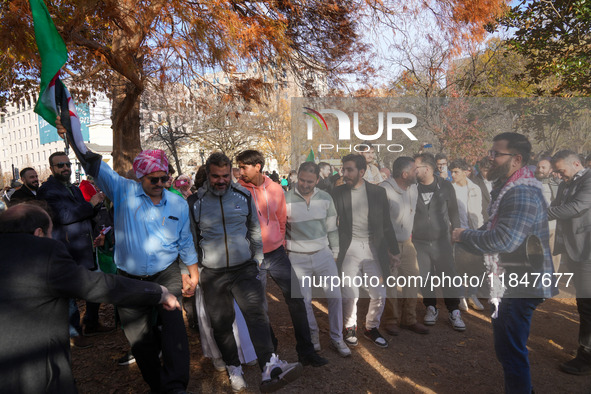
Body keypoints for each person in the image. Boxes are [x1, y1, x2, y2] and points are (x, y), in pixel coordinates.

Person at [55, 117, 199, 394]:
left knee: (174, 332)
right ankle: (159, 386)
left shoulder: (178, 204)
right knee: (140, 341)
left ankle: (177, 387)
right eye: (153, 178)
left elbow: (185, 241)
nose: (160, 182)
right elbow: (92, 163)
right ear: (139, 176)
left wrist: (192, 273)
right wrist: (71, 136)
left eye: (164, 177)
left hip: (166, 275)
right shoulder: (122, 190)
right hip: (129, 281)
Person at [0, 204, 180, 394]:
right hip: (34, 374)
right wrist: (157, 292)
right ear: (38, 233)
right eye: (51, 233)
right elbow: (96, 285)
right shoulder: (43, 251)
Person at [188, 152, 302, 392]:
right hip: (213, 273)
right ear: (208, 175)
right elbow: (189, 238)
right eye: (215, 176)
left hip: (244, 269)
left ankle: (269, 365)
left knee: (257, 315)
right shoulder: (195, 202)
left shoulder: (242, 195)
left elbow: (253, 228)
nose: (221, 180)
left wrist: (258, 257)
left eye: (225, 175)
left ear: (232, 173)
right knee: (221, 323)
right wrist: (193, 270)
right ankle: (233, 367)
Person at [452, 132, 557, 393]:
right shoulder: (513, 186)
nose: (491, 158)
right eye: (491, 153)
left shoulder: (521, 191)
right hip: (512, 280)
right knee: (510, 350)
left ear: (516, 159)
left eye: (496, 154)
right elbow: (494, 228)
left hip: (518, 285)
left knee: (511, 353)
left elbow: (505, 240)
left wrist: (463, 234)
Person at [237, 149, 327, 368]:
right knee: (259, 307)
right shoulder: (237, 191)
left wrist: (282, 244)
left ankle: (306, 352)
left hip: (276, 254)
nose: (239, 171)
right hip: (251, 258)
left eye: (243, 167)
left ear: (257, 166)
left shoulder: (276, 189)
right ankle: (271, 352)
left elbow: (281, 219)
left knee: (296, 301)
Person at [37, 152, 108, 348]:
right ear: (52, 168)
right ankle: (73, 332)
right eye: (60, 165)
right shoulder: (47, 190)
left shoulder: (74, 189)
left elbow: (84, 214)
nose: (65, 168)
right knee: (68, 293)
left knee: (95, 284)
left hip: (85, 247)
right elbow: (63, 216)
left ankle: (91, 322)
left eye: (67, 164)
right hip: (65, 248)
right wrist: (90, 204)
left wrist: (97, 225)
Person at [331, 154, 400, 348]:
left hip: (373, 248)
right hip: (349, 247)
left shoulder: (377, 193)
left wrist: (394, 251)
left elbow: (387, 224)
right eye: (343, 169)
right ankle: (349, 327)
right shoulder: (338, 193)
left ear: (362, 172)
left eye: (349, 170)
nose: (345, 174)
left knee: (379, 293)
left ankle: (371, 327)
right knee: (349, 292)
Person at [285, 162, 351, 357]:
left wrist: (336, 252)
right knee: (304, 301)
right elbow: (281, 227)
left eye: (310, 181)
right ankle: (313, 336)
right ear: (297, 177)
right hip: (297, 257)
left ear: (318, 180)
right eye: (302, 180)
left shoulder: (326, 198)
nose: (305, 184)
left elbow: (332, 228)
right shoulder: (285, 199)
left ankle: (337, 337)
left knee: (335, 297)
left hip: (323, 254)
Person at [547, 150, 591, 375]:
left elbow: (576, 208)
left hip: (587, 252)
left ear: (576, 164)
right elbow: (555, 205)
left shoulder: (589, 180)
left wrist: (540, 214)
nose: (558, 174)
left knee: (586, 305)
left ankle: (585, 356)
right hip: (573, 251)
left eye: (561, 170)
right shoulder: (566, 183)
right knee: (584, 304)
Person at [412, 153, 464, 331]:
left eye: (416, 167)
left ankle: (454, 311)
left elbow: (454, 212)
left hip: (442, 241)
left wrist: (456, 231)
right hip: (419, 241)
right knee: (425, 276)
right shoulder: (413, 187)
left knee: (448, 275)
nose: (413, 170)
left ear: (427, 169)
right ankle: (431, 307)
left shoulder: (445, 186)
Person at [379, 157, 429, 336]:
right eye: (415, 170)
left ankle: (409, 319)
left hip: (407, 243)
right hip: (388, 245)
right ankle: (391, 320)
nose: (418, 172)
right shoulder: (383, 190)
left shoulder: (414, 188)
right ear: (405, 174)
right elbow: (379, 223)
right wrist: (388, 249)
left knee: (413, 279)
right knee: (391, 283)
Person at [449, 159, 485, 312]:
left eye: (456, 172)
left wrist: (480, 232)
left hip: (474, 233)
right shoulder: (449, 189)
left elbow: (479, 212)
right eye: (452, 172)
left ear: (466, 172)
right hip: (457, 233)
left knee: (475, 266)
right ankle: (460, 296)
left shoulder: (475, 188)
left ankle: (472, 295)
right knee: (458, 267)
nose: (453, 175)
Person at [535, 157, 561, 270]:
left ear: (550, 170)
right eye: (538, 167)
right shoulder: (530, 183)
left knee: (554, 254)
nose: (540, 169)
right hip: (536, 226)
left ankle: (553, 281)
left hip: (552, 226)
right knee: (537, 255)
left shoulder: (557, 184)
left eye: (543, 167)